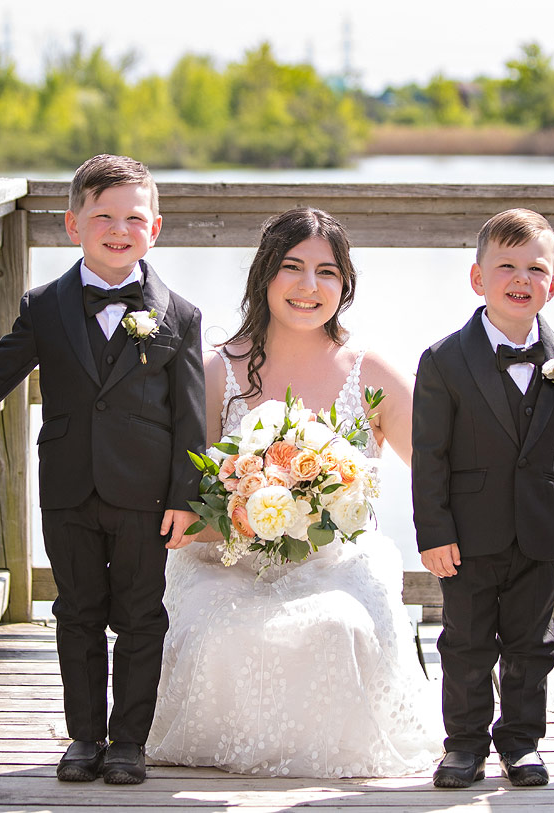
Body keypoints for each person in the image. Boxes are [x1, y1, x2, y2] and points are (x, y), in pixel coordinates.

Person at [0, 154, 206, 786]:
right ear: (71, 224)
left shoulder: (179, 315)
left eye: (134, 218)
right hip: (68, 489)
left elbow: (191, 418)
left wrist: (185, 497)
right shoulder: (46, 306)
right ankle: (84, 737)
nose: (118, 228)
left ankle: (128, 743)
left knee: (142, 614)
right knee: (77, 610)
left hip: (145, 494)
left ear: (155, 228)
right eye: (102, 215)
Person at [146, 207, 447, 777]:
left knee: (340, 623)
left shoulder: (372, 372)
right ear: (264, 276)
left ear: (345, 284)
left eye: (327, 272)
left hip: (340, 560)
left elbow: (445, 466)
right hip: (226, 558)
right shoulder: (216, 372)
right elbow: (182, 495)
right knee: (216, 626)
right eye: (292, 267)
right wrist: (247, 511)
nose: (310, 287)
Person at [412, 208, 554, 789]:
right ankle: (464, 745)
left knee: (532, 643)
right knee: (465, 642)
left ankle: (521, 742)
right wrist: (434, 534)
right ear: (477, 278)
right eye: (506, 266)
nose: (521, 279)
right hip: (466, 535)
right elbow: (430, 458)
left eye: (535, 269)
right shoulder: (443, 360)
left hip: (539, 532)